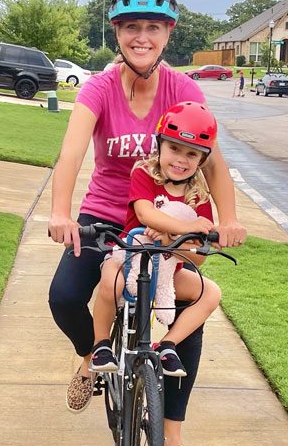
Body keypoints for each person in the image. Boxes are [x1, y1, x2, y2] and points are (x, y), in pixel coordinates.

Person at [47, 0, 246, 446]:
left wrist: (226, 221)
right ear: (117, 32)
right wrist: (60, 211)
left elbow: (215, 164)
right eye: (131, 26)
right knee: (65, 295)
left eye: (152, 27)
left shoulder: (184, 90)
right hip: (105, 214)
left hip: (165, 222)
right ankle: (92, 357)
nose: (141, 37)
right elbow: (71, 154)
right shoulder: (99, 87)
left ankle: (171, 438)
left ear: (168, 33)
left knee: (190, 305)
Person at [88, 101, 222, 387]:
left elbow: (197, 259)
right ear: (160, 145)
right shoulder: (145, 173)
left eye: (191, 153)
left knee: (210, 293)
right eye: (174, 148)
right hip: (129, 258)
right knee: (112, 282)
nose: (180, 159)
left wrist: (172, 241)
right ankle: (100, 344)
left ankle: (166, 345)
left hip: (168, 272)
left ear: (202, 159)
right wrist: (188, 227)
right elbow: (145, 214)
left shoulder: (199, 197)